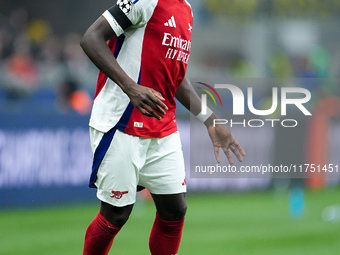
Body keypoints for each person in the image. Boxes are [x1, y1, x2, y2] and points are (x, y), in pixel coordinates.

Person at [80, 0, 246, 254]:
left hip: (162, 126)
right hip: (121, 122)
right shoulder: (145, 1)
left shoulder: (187, 10)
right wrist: (130, 87)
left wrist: (210, 120)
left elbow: (176, 79)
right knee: (116, 214)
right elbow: (91, 38)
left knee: (174, 210)